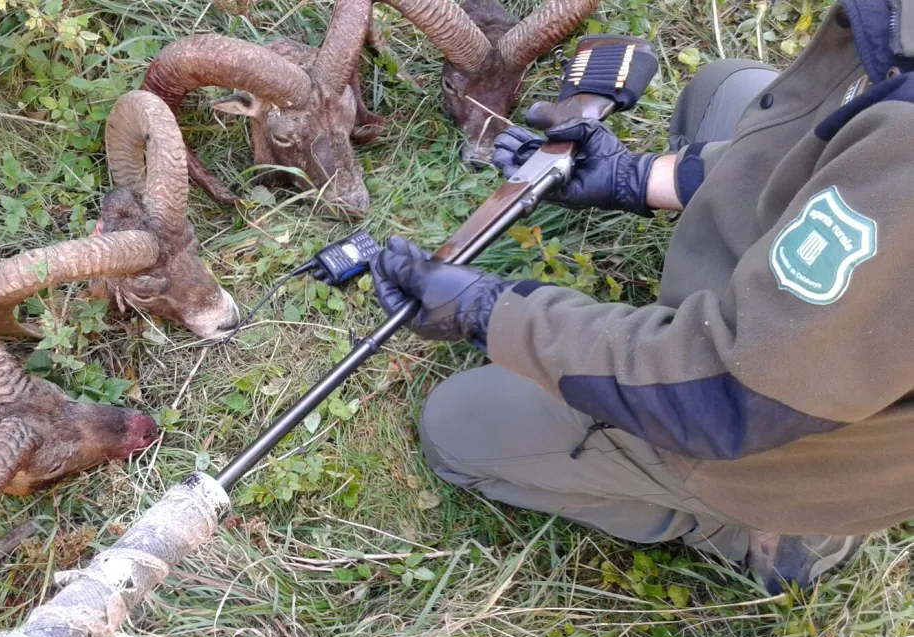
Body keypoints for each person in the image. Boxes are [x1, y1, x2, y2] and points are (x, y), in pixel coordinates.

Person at [370, 0, 914, 595]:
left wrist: (491, 312)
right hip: (832, 322)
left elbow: (726, 391)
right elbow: (827, 156)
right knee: (725, 90)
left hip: (782, 432)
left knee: (457, 427)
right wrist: (639, 178)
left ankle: (769, 532)